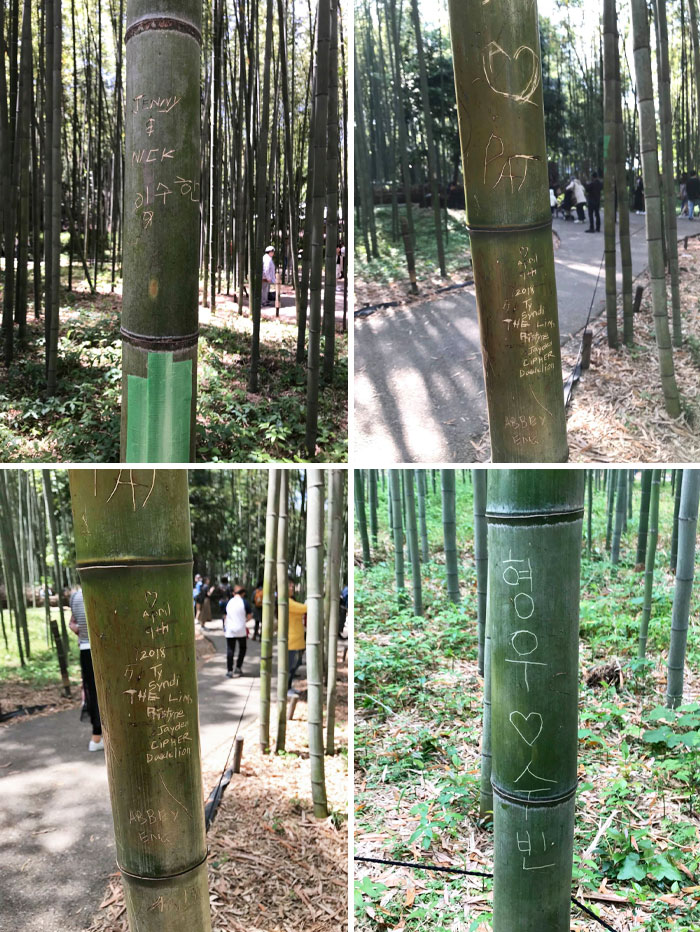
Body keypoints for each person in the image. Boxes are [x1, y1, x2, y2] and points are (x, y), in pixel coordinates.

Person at [68, 587, 103, 752]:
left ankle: (96, 737)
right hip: (103, 649)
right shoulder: (102, 591)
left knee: (93, 692)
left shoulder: (75, 596)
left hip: (85, 648)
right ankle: (103, 736)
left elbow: (73, 625)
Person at [224, 584, 253, 678]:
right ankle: (238, 667)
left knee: (230, 650)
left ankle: (229, 670)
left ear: (233, 593)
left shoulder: (229, 602)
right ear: (243, 593)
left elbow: (225, 616)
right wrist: (244, 621)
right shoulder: (244, 602)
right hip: (241, 629)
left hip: (230, 630)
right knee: (242, 648)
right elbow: (249, 616)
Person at [287, 577, 307, 696]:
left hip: (296, 639)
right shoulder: (287, 602)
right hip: (291, 640)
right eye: (289, 586)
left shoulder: (290, 601)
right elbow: (305, 608)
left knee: (295, 665)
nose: (292, 588)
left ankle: (289, 687)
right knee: (290, 667)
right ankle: (286, 689)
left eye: (292, 586)